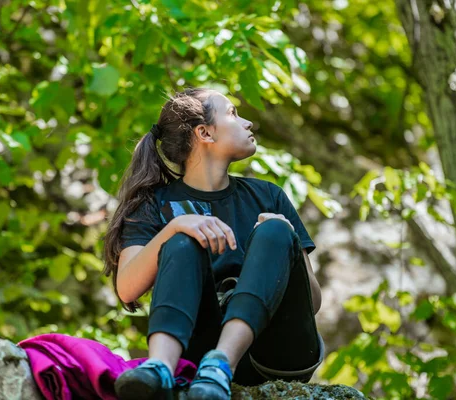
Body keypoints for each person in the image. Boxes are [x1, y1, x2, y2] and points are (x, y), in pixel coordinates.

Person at [102, 87, 324, 400]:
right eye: (233, 113)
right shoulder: (155, 205)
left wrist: (287, 246)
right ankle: (160, 369)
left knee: (274, 230)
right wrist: (174, 228)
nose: (248, 123)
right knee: (180, 240)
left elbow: (312, 303)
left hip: (278, 353)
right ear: (205, 132)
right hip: (198, 347)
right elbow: (126, 287)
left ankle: (221, 364)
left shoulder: (269, 196)